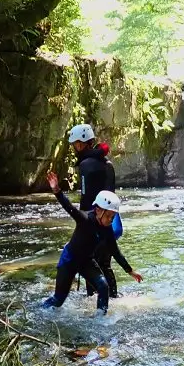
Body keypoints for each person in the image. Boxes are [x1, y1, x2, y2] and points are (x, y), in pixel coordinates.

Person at [41, 170, 143, 316]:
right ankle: (40, 310)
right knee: (58, 300)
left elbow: (115, 252)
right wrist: (56, 190)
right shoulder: (85, 219)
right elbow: (69, 207)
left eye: (113, 217)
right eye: (108, 216)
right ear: (98, 210)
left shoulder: (107, 230)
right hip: (69, 260)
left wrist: (130, 271)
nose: (110, 220)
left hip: (86, 262)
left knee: (103, 287)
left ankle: (100, 319)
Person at [67, 124, 124, 298]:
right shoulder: (107, 163)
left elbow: (85, 197)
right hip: (111, 219)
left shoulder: (85, 165)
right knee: (105, 263)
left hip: (93, 222)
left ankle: (93, 297)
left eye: (75, 144)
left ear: (81, 144)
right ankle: (113, 296)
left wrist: (81, 223)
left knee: (90, 262)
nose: (74, 147)